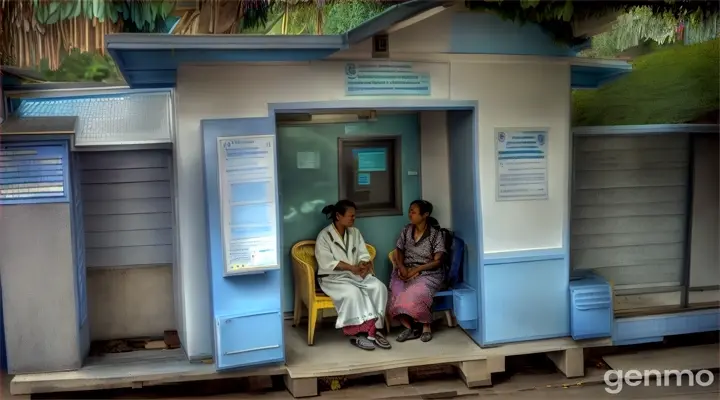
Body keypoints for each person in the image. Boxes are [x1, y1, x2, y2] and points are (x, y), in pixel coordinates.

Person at [315, 200, 392, 351]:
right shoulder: (324, 236)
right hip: (333, 278)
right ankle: (356, 334)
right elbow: (326, 262)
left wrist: (364, 265)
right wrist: (351, 268)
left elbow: (363, 253)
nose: (353, 219)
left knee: (379, 287)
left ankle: (374, 331)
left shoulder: (355, 233)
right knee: (353, 293)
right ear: (338, 216)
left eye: (354, 216)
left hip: (355, 275)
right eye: (351, 216)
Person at [388, 200, 447, 343]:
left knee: (416, 292)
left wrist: (417, 270)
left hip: (428, 273)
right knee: (395, 292)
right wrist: (402, 267)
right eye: (410, 211)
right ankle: (410, 327)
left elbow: (438, 261)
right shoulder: (406, 230)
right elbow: (399, 250)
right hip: (406, 271)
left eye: (413, 212)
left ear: (425, 214)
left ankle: (426, 325)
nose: (410, 214)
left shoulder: (435, 235)